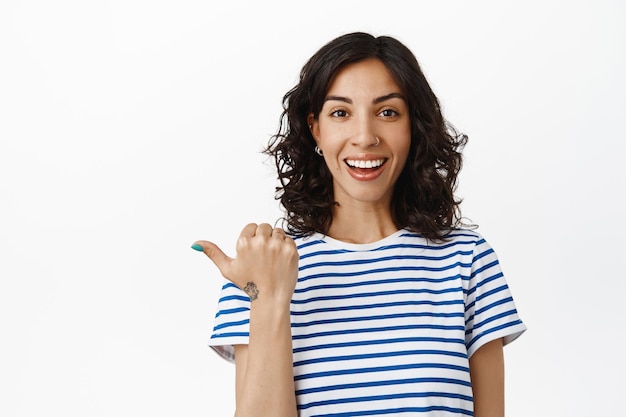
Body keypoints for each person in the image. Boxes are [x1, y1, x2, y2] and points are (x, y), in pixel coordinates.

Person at [192, 32, 526, 417]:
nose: (365, 137)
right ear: (316, 128)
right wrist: (268, 299)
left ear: (412, 126)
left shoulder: (467, 260)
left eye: (387, 112)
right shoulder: (263, 268)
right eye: (340, 113)